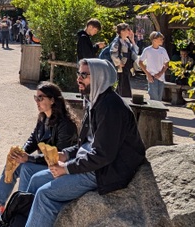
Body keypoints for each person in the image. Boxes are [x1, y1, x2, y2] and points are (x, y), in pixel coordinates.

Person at [22, 59, 146, 227]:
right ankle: (21, 221)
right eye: (78, 73)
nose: (78, 78)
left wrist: (66, 168)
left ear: (99, 77)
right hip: (89, 164)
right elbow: (85, 144)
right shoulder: (94, 101)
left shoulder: (110, 107)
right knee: (36, 179)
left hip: (104, 171)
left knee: (45, 194)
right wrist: (65, 154)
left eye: (84, 75)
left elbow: (103, 156)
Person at [0, 82, 78, 227]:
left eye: (41, 98)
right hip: (44, 164)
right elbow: (33, 139)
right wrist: (21, 153)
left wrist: (28, 158)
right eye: (36, 98)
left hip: (59, 169)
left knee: (26, 166)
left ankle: (20, 211)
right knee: (14, 162)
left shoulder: (66, 125)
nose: (37, 102)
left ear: (52, 100)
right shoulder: (43, 118)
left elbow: (57, 157)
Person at [107, 23, 139, 98]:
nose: (129, 31)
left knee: (122, 84)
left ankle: (118, 98)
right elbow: (113, 52)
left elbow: (135, 51)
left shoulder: (127, 41)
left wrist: (132, 40)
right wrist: (119, 63)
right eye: (128, 29)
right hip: (122, 66)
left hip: (127, 65)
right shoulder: (117, 41)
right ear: (122, 31)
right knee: (123, 84)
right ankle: (124, 99)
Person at [138, 31, 170, 101]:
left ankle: (159, 112)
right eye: (160, 39)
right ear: (154, 40)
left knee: (159, 99)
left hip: (161, 78)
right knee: (154, 98)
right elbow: (140, 62)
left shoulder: (163, 50)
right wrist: (148, 74)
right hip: (152, 77)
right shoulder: (147, 50)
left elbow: (167, 63)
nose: (162, 40)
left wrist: (160, 73)